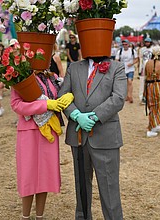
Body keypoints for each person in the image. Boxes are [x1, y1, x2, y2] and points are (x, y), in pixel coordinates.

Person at [58, 52, 127, 219]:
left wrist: (94, 116)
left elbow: (118, 98)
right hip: (79, 136)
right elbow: (63, 95)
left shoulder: (117, 67)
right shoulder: (74, 68)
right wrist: (75, 115)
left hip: (105, 137)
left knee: (109, 188)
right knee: (81, 186)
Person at [10, 69, 74, 219]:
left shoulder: (53, 77)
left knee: (45, 175)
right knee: (28, 174)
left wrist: (67, 98)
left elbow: (61, 97)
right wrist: (44, 105)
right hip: (28, 131)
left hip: (50, 130)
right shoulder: (20, 77)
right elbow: (16, 105)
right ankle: (25, 216)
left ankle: (40, 215)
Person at [144, 46, 160, 137]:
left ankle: (154, 124)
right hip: (156, 85)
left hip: (148, 85)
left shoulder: (147, 62)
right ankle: (150, 128)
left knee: (151, 106)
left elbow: (144, 74)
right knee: (155, 106)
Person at [116, 39, 138, 103]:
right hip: (122, 69)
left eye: (126, 44)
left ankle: (130, 96)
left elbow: (136, 59)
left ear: (128, 44)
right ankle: (126, 96)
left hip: (130, 69)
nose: (125, 45)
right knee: (124, 83)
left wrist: (132, 63)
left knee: (130, 82)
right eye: (123, 44)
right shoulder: (120, 51)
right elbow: (116, 60)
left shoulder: (132, 51)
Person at [138, 37, 153, 104]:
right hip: (143, 68)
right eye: (146, 42)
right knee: (142, 83)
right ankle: (142, 98)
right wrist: (139, 69)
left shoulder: (153, 49)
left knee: (150, 83)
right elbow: (140, 59)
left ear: (150, 43)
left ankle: (149, 97)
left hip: (151, 69)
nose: (147, 43)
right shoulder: (142, 50)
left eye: (148, 42)